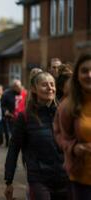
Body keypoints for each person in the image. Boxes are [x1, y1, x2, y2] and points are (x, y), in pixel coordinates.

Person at [4, 72, 69, 200]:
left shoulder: (65, 114)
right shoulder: (25, 117)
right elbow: (13, 148)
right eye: (44, 85)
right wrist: (9, 181)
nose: (50, 88)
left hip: (65, 178)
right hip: (39, 179)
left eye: (52, 84)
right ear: (34, 89)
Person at [53, 53, 91, 199]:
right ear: (77, 76)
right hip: (81, 178)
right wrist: (73, 147)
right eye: (84, 70)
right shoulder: (67, 106)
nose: (89, 75)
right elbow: (58, 134)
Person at [0, 80, 27, 146]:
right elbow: (2, 105)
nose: (19, 88)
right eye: (17, 87)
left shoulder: (24, 93)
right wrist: (5, 111)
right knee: (12, 134)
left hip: (22, 117)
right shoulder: (7, 94)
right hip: (11, 118)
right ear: (13, 87)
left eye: (20, 86)